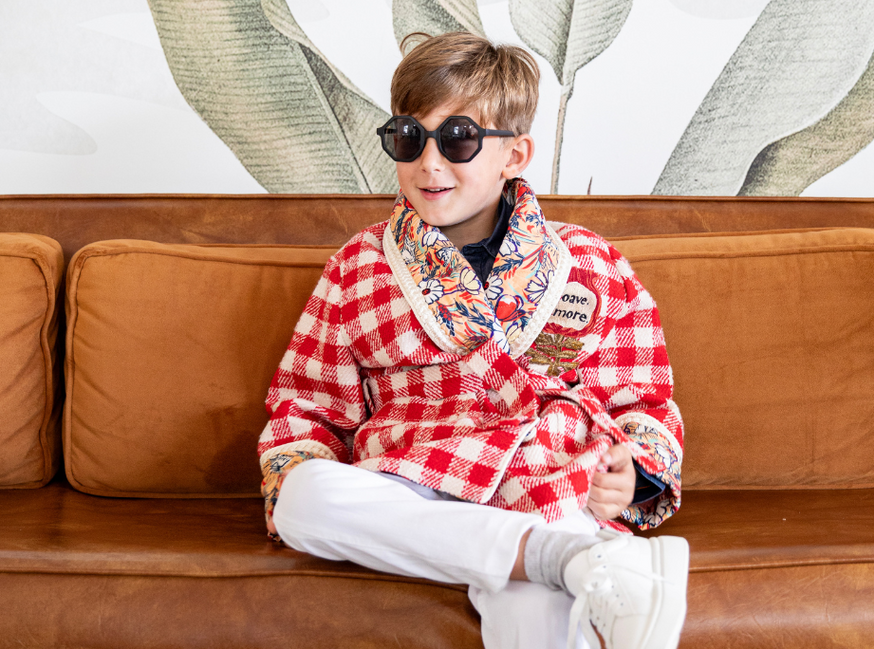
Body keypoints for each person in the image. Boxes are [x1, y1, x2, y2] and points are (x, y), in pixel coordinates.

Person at [257, 31, 689, 649]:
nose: (429, 163)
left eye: (458, 138)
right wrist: (313, 473)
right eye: (409, 137)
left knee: (538, 606)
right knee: (302, 497)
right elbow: (306, 409)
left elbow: (644, 403)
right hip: (412, 485)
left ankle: (550, 556)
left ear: (514, 154)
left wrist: (633, 474)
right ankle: (562, 557)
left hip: (545, 479)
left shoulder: (592, 264)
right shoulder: (358, 267)